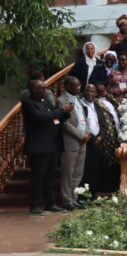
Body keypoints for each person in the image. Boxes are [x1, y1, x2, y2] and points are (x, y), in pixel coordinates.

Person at [23, 79, 72, 215]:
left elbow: (53, 119)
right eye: (41, 88)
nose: (45, 90)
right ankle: (36, 205)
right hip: (38, 146)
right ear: (33, 90)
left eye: (45, 88)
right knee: (38, 176)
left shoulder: (46, 102)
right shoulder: (29, 103)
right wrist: (60, 110)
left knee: (50, 176)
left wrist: (65, 113)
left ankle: (50, 204)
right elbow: (42, 119)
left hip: (51, 145)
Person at [57, 76, 88, 211]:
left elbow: (82, 118)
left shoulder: (78, 100)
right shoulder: (60, 100)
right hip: (70, 141)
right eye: (76, 85)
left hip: (83, 141)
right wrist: (80, 135)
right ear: (68, 86)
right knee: (68, 173)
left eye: (79, 85)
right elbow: (63, 124)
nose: (79, 88)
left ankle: (74, 198)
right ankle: (66, 200)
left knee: (78, 172)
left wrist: (86, 133)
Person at [81, 83, 117, 196]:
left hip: (98, 141)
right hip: (86, 141)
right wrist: (92, 138)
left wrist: (101, 136)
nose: (90, 94)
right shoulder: (81, 105)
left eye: (92, 92)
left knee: (95, 170)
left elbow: (104, 124)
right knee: (85, 171)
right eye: (88, 91)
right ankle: (82, 196)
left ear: (96, 94)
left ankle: (92, 194)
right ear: (84, 92)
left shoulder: (97, 106)